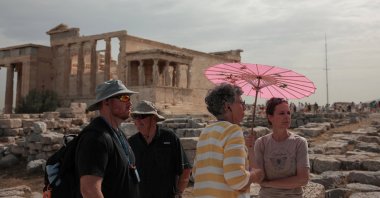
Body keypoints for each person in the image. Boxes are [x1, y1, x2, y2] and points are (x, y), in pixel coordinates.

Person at [192, 83, 264, 198]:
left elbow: (196, 174)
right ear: (226, 106)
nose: (244, 107)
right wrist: (255, 175)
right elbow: (237, 179)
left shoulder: (206, 132)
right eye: (241, 103)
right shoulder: (233, 130)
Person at [76, 79, 140, 198]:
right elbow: (89, 190)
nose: (130, 103)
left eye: (129, 98)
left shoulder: (118, 134)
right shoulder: (95, 138)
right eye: (124, 98)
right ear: (106, 102)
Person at [128, 100, 192, 198]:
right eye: (135, 117)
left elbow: (186, 169)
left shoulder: (170, 138)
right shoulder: (131, 143)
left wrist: (178, 193)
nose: (137, 121)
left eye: (141, 116)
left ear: (153, 118)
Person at [253, 97, 310, 198]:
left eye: (288, 113)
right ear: (270, 117)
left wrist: (269, 184)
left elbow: (303, 179)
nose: (287, 117)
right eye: (281, 113)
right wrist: (249, 149)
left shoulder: (299, 142)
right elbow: (259, 179)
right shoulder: (261, 143)